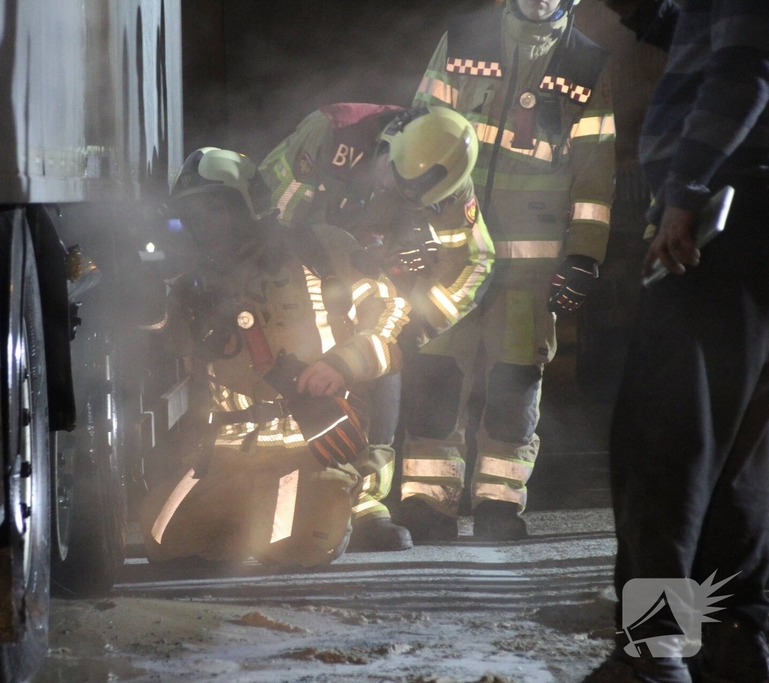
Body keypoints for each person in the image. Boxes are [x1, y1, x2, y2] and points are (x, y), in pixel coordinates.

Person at [583, 1, 769, 681]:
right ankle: (736, 641)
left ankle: (654, 650)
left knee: (664, 445)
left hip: (725, 215)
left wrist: (687, 188)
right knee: (743, 457)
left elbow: (746, 66)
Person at [400, 0, 616, 541]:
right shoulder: (464, 37)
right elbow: (418, 132)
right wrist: (408, 222)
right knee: (438, 378)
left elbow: (596, 169)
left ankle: (499, 503)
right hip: (452, 254)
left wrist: (585, 253)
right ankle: (427, 502)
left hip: (529, 267)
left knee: (513, 387)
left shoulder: (587, 66)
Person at [138, 147, 412, 567]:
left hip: (312, 442)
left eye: (219, 207)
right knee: (162, 541)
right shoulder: (192, 284)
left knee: (295, 546)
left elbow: (389, 311)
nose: (209, 223)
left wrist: (340, 365)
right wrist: (144, 301)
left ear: (252, 203)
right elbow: (164, 345)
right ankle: (241, 519)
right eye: (195, 214)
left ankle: (342, 501)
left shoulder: (319, 249)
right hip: (230, 453)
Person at [259, 104, 495, 550]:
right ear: (389, 143)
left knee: (382, 362)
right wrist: (331, 265)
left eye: (412, 197)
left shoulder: (447, 183)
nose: (393, 191)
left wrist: (407, 331)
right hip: (291, 278)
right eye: (394, 179)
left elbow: (474, 261)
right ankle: (278, 482)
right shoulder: (329, 135)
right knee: (292, 372)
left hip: (364, 285)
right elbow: (269, 218)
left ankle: (363, 504)